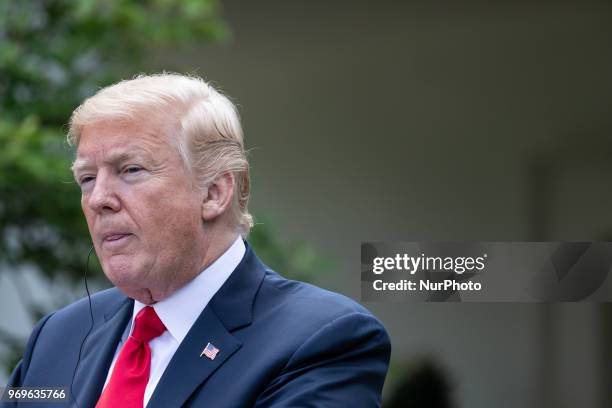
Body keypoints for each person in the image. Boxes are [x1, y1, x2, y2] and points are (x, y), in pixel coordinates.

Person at [3, 73, 391, 407]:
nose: (99, 199)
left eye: (131, 170)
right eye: (87, 178)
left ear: (214, 193)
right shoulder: (58, 336)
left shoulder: (320, 340)